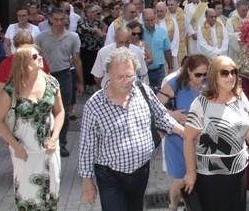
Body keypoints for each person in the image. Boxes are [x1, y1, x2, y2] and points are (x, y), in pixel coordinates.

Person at [79, 48, 184, 210]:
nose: (126, 81)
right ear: (108, 75)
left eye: (129, 75)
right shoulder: (94, 105)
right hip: (110, 176)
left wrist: (184, 132)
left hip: (141, 172)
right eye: (119, 77)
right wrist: (87, 182)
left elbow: (162, 117)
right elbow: (87, 147)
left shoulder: (143, 91)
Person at [183, 56, 249, 211]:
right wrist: (191, 172)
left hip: (237, 172)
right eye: (225, 73)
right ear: (214, 76)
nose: (231, 76)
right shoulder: (201, 104)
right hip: (210, 176)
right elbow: (188, 138)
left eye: (234, 72)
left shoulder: (240, 98)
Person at [0, 46, 64, 210]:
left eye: (40, 54)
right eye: (34, 56)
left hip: (50, 151)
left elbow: (60, 112)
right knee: (28, 200)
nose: (40, 58)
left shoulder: (52, 83)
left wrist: (54, 137)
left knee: (51, 198)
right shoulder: (11, 90)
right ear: (23, 63)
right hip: (24, 153)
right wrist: (15, 146)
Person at [156, 54, 208, 210]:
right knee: (179, 180)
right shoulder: (175, 85)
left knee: (197, 178)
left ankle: (190, 206)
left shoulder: (208, 85)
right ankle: (173, 206)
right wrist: (174, 115)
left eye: (205, 74)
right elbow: (155, 109)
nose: (202, 78)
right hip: (178, 139)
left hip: (200, 140)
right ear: (189, 71)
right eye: (198, 74)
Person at [36, 8, 84, 157]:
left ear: (65, 19)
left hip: (64, 75)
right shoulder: (41, 37)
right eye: (55, 20)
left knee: (63, 110)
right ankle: (45, 140)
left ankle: (61, 143)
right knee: (44, 109)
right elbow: (35, 58)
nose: (58, 23)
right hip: (45, 75)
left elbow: (76, 60)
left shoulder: (73, 37)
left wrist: (80, 82)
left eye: (61, 19)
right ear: (50, 19)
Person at [0, 31, 51, 98]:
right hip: (37, 97)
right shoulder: (38, 59)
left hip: (15, 100)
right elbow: (48, 81)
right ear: (32, 44)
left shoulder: (6, 62)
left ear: (15, 45)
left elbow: (0, 88)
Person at [142, 8, 173, 89]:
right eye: (147, 20)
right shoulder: (138, 33)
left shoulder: (162, 32)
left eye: (152, 20)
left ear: (155, 18)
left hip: (159, 71)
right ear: (143, 19)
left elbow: (167, 51)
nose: (150, 23)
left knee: (160, 94)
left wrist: (170, 67)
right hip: (144, 72)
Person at [77, 4, 105, 92]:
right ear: (87, 13)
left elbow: (102, 33)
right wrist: (95, 30)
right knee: (86, 66)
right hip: (86, 47)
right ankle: (87, 84)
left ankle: (94, 84)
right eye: (92, 12)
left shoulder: (98, 21)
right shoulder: (81, 20)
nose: (94, 13)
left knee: (95, 66)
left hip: (96, 47)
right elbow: (82, 30)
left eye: (95, 12)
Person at [155, 2, 180, 71]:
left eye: (161, 11)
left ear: (166, 11)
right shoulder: (153, 22)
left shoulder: (172, 21)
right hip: (157, 54)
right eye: (157, 11)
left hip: (170, 53)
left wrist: (171, 52)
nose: (159, 13)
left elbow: (176, 38)